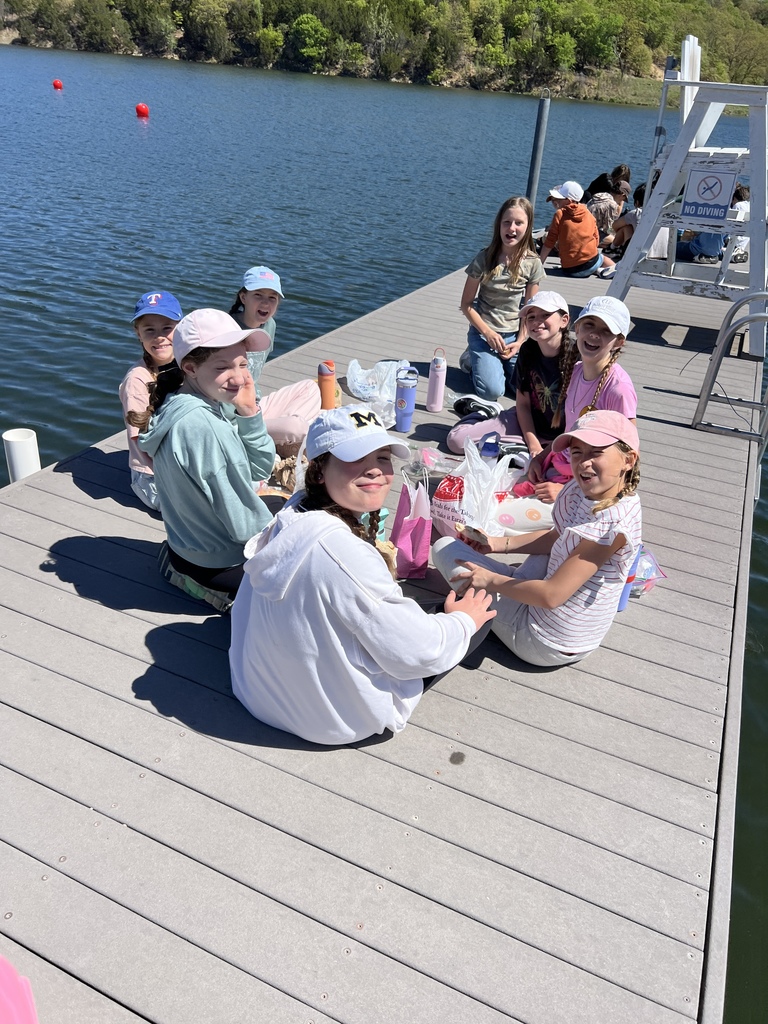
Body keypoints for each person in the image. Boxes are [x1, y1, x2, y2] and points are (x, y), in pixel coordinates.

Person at [229, 405, 496, 746]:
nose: (375, 470)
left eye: (383, 457)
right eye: (357, 458)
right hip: (327, 720)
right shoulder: (344, 557)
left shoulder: (296, 508)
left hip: (258, 692)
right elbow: (417, 651)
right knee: (479, 612)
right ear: (320, 469)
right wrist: (462, 623)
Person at [433, 409, 642, 667]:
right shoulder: (583, 490)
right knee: (544, 555)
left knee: (444, 548)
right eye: (577, 452)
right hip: (561, 618)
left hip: (544, 641)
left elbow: (551, 596)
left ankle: (510, 586)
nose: (584, 462)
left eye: (596, 452)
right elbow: (558, 537)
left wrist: (490, 580)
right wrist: (497, 544)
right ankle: (515, 582)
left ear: (629, 460)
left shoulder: (611, 526)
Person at [135, 308, 277, 604]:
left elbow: (259, 468)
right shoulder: (206, 429)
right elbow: (244, 526)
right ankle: (211, 592)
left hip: (185, 545)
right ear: (190, 368)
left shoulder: (178, 399)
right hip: (219, 564)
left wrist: (249, 413)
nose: (238, 378)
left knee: (284, 505)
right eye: (222, 367)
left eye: (242, 364)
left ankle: (182, 569)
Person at [525, 295, 637, 503]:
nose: (594, 334)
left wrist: (567, 493)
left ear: (619, 342)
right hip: (561, 465)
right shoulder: (575, 371)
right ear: (577, 329)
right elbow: (570, 431)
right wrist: (540, 458)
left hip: (587, 486)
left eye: (606, 330)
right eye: (589, 325)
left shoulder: (618, 390)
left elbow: (626, 461)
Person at [446, 291, 570, 456]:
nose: (537, 322)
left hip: (565, 437)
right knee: (457, 442)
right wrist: (533, 445)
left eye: (545, 315)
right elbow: (523, 405)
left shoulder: (577, 358)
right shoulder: (528, 350)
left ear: (564, 320)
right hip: (529, 424)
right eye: (531, 317)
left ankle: (518, 448)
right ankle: (485, 412)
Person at [458, 196, 545, 402]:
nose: (511, 228)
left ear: (528, 226)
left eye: (518, 223)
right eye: (507, 222)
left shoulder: (532, 263)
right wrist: (487, 333)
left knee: (525, 392)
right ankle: (472, 360)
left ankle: (494, 364)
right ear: (499, 225)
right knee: (492, 392)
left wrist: (521, 341)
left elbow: (530, 309)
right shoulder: (484, 259)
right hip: (484, 334)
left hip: (514, 337)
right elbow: (466, 304)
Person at [229, 264, 321, 456]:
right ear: (243, 297)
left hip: (257, 405)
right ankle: (277, 436)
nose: (265, 303)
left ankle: (275, 434)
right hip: (232, 418)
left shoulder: (270, 325)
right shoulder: (227, 329)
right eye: (258, 295)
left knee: (310, 388)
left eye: (272, 297)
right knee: (296, 427)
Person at [119, 290, 183, 510]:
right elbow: (140, 438)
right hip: (153, 477)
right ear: (138, 333)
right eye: (149, 330)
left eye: (167, 328)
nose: (159, 336)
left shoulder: (188, 365)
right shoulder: (137, 380)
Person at [538, 182, 616, 279]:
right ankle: (615, 272)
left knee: (586, 261)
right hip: (591, 263)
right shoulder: (588, 214)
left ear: (569, 201)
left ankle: (597, 270)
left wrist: (539, 265)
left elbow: (550, 242)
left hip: (570, 270)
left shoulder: (560, 214)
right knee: (601, 258)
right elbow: (596, 239)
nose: (556, 201)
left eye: (560, 199)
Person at [587, 180, 630, 246]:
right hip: (589, 232)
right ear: (622, 194)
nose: (622, 201)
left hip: (585, 225)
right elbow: (607, 229)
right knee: (615, 240)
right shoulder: (612, 205)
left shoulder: (602, 195)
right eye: (623, 199)